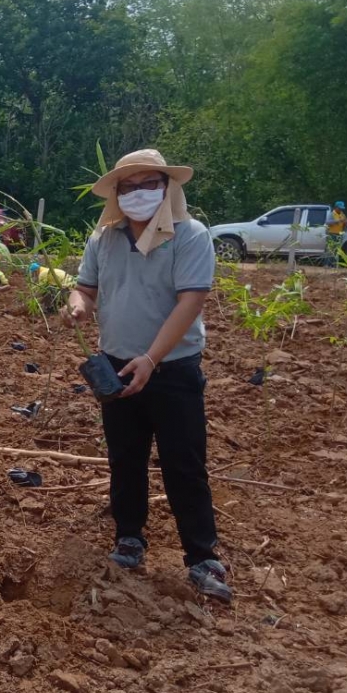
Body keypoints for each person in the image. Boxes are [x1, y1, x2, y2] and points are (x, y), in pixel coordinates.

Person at [65, 148, 231, 604]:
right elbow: (86, 287)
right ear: (117, 194)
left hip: (173, 370)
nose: (139, 194)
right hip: (116, 365)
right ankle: (130, 538)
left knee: (184, 463)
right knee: (125, 459)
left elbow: (190, 302)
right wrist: (79, 303)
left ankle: (201, 557)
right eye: (129, 186)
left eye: (149, 184)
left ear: (167, 187)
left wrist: (152, 359)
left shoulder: (189, 236)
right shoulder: (104, 239)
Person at [325, 201, 347, 267]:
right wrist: (338, 221)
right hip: (331, 233)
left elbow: (345, 228)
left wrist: (346, 223)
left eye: (341, 208)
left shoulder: (342, 215)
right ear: (336, 207)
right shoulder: (332, 214)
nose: (340, 209)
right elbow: (327, 222)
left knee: (337, 250)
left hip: (339, 234)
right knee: (330, 250)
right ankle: (327, 264)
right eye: (339, 208)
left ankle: (334, 264)